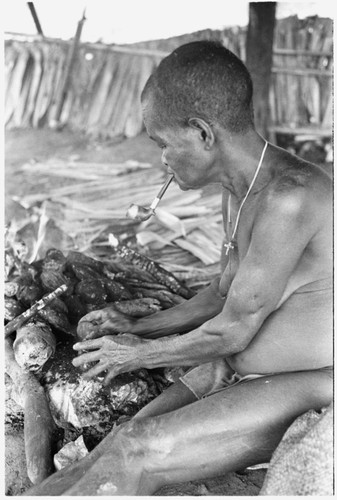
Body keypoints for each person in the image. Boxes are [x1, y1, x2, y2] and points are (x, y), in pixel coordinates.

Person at [25, 40, 332, 496]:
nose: (162, 158)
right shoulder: (241, 192)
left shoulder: (290, 197)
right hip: (227, 366)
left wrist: (135, 354)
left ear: (203, 133)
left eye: (163, 143)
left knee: (137, 450)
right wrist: (139, 325)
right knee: (118, 439)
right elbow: (220, 295)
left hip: (311, 384)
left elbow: (234, 330)